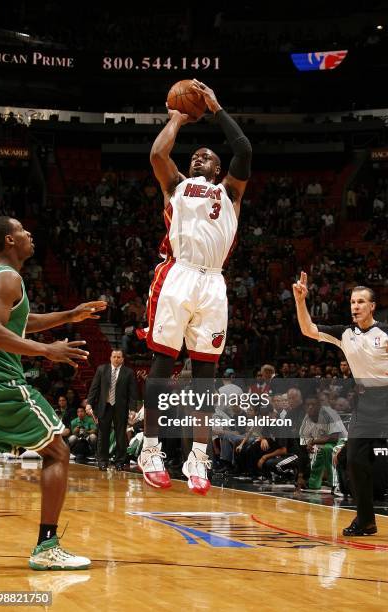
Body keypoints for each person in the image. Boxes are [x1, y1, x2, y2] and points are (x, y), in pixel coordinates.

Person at [136, 79, 252, 494]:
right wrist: (176, 119)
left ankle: (198, 459)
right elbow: (157, 153)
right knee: (165, 365)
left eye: (208, 155)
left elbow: (244, 150)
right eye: (195, 154)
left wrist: (216, 107)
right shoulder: (177, 186)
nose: (200, 155)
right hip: (178, 274)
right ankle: (150, 449)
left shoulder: (231, 193)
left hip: (214, 283)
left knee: (205, 376)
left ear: (219, 170)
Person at [0, 216, 107, 569]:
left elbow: (22, 321)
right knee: (58, 452)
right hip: (0, 384)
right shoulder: (9, 278)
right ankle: (47, 547)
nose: (30, 235)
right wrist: (46, 351)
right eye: (23, 231)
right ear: (10, 240)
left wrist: (70, 314)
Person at [293, 271, 388, 536]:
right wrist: (300, 300)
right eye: (353, 302)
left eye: (361, 302)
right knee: (355, 460)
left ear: (372, 306)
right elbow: (308, 330)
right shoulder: (345, 334)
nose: (356, 306)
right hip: (365, 403)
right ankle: (366, 521)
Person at [86, 348, 138, 471]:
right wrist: (89, 404)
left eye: (119, 357)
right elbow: (94, 388)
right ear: (110, 358)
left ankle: (120, 462)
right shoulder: (102, 369)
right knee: (103, 435)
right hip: (105, 406)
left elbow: (133, 393)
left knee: (120, 435)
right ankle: (102, 461)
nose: (116, 359)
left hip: (121, 408)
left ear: (123, 359)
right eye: (114, 357)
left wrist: (132, 409)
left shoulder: (129, 372)